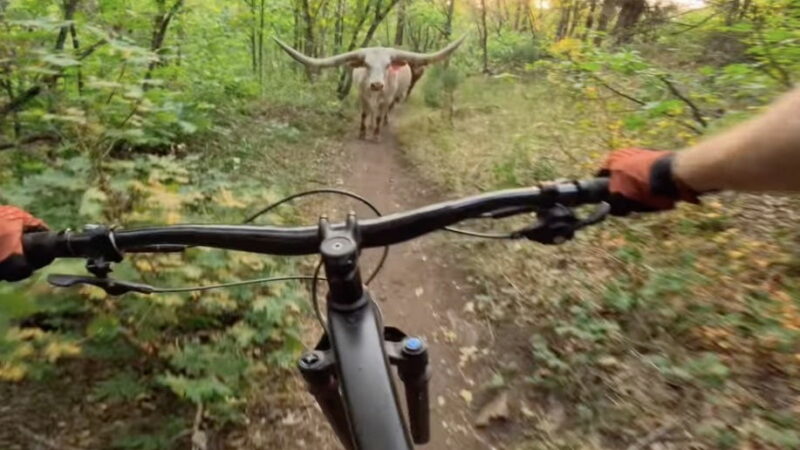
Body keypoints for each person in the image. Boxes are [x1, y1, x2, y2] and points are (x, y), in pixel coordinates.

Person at [1, 86, 799, 281]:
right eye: (375, 82)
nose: (381, 84)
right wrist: (676, 171)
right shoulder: (364, 81)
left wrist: (678, 171)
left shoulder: (403, 78)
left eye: (389, 80)